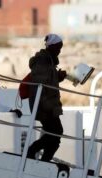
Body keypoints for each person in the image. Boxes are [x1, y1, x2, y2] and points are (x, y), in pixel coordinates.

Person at [26, 34, 67, 162]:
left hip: (48, 105)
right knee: (56, 132)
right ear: (52, 46)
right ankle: (33, 150)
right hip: (45, 106)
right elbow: (40, 85)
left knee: (55, 134)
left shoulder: (48, 61)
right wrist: (47, 106)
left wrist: (57, 77)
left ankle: (44, 160)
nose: (60, 51)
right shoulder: (43, 61)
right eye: (58, 47)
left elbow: (47, 81)